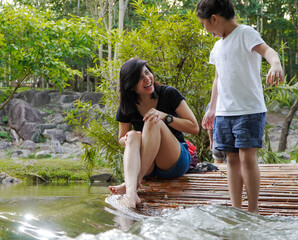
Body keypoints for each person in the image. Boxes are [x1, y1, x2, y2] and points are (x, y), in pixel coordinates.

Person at [197, 0, 283, 213]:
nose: (205, 29)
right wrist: (212, 108)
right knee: (231, 160)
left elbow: (267, 50)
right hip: (225, 113)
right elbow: (218, 79)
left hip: (249, 109)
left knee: (247, 158)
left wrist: (276, 64)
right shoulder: (217, 46)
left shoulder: (245, 33)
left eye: (204, 24)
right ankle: (236, 209)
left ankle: (253, 210)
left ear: (214, 19)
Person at [108, 58, 199, 208]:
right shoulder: (127, 104)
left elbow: (194, 127)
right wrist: (135, 137)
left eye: (147, 72)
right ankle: (131, 195)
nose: (147, 79)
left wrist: (165, 117)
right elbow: (121, 139)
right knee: (131, 135)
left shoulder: (168, 93)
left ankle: (135, 182)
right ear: (130, 86)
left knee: (153, 120)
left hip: (173, 161)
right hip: (148, 166)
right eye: (139, 78)